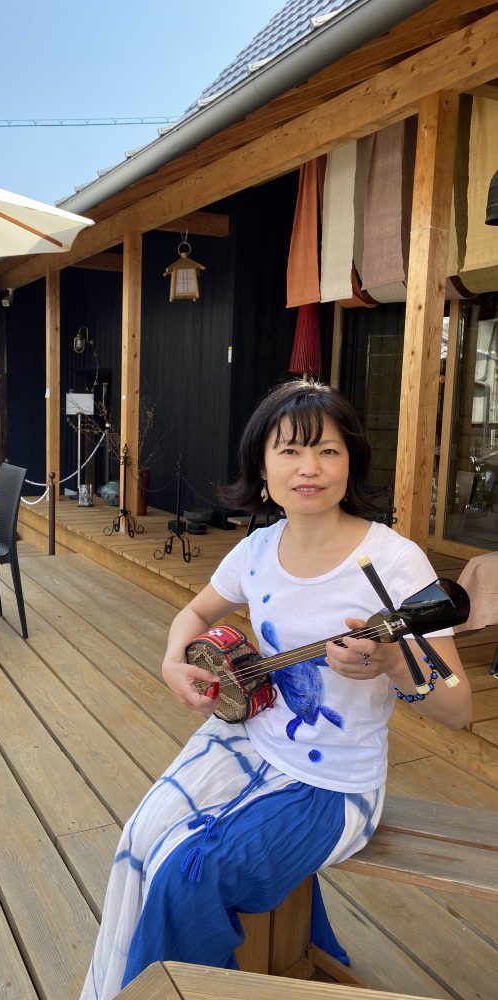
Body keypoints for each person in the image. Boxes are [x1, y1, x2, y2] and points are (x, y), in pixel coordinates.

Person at [81, 379, 471, 999]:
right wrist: (173, 661)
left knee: (190, 874)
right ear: (261, 467)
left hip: (333, 784)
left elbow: (459, 707)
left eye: (328, 451)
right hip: (245, 740)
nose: (309, 468)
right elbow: (195, 613)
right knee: (142, 839)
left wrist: (394, 666)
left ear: (351, 464)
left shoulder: (394, 562)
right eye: (289, 451)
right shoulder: (257, 549)